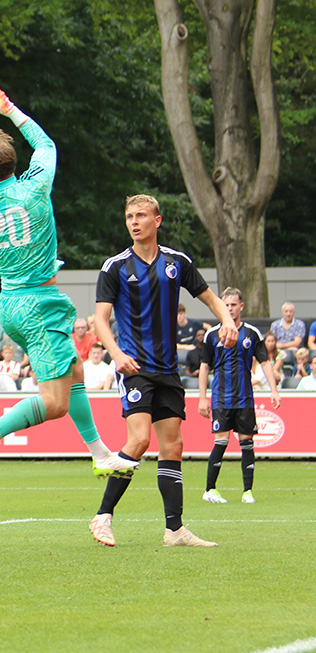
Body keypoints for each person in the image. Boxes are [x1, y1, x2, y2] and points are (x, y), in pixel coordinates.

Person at [0, 77, 137, 488]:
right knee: (55, 403)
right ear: (11, 162)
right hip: (36, 305)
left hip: (15, 301)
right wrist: (9, 108)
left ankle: (99, 453)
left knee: (75, 371)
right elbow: (46, 147)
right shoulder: (35, 188)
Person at [88, 193, 238, 548]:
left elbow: (211, 297)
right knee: (139, 440)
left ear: (157, 220)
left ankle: (174, 530)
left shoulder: (177, 262)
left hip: (168, 370)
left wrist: (228, 320)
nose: (134, 221)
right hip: (135, 367)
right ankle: (102, 516)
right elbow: (100, 320)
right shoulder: (115, 267)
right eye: (129, 216)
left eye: (141, 215)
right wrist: (116, 353)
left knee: (173, 446)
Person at [198, 287, 280, 506]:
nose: (230, 309)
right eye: (226, 305)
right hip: (221, 398)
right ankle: (210, 489)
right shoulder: (212, 334)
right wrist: (202, 397)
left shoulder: (252, 334)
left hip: (245, 397)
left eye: (233, 305)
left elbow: (264, 362)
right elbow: (204, 366)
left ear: (241, 306)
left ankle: (247, 491)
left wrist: (273, 390)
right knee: (221, 441)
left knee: (247, 443)